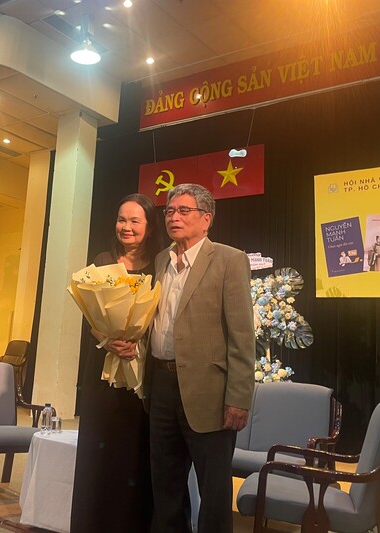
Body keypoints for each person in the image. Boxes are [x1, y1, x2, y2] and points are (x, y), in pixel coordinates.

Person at [111, 183, 255, 532]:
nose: (174, 217)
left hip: (209, 393)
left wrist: (238, 398)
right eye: (170, 211)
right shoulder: (161, 260)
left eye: (184, 211)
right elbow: (153, 320)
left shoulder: (229, 260)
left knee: (214, 492)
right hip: (161, 386)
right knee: (166, 485)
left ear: (206, 219)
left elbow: (241, 336)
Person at [70, 193, 162, 533]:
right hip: (102, 368)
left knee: (135, 450)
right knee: (99, 452)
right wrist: (108, 338)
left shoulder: (160, 264)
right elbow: (89, 313)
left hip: (142, 373)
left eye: (135, 221)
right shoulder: (103, 261)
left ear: (149, 226)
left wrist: (138, 340)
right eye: (122, 219)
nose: (126, 227)